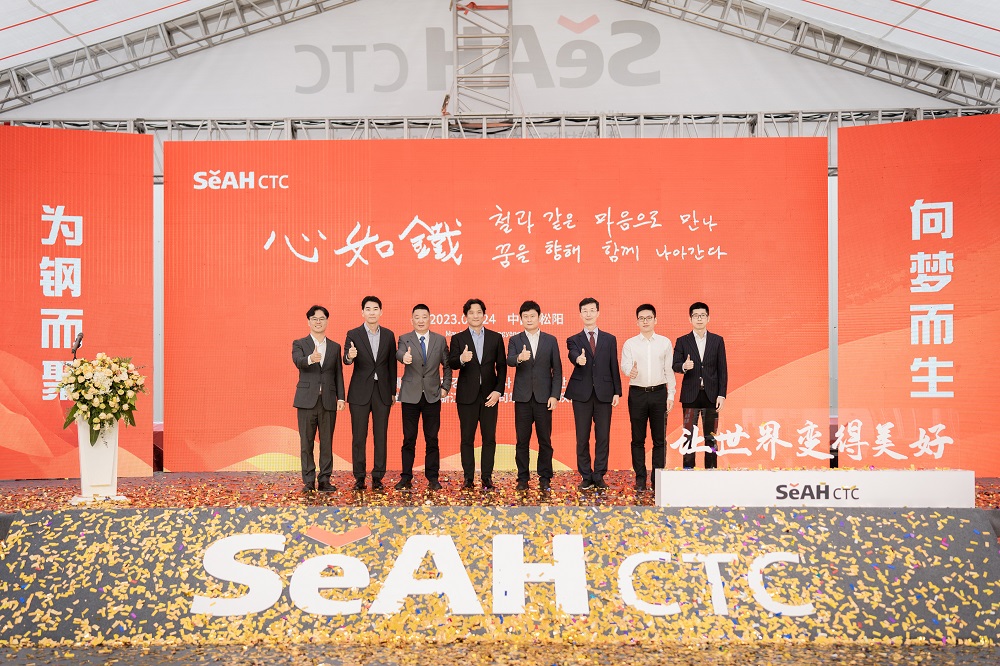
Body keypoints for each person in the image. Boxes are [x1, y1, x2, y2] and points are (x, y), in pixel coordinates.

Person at [448, 298, 507, 491]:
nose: (475, 316)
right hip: (467, 397)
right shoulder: (458, 338)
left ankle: (487, 478)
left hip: (490, 396)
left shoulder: (495, 338)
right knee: (467, 438)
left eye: (479, 312)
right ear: (465, 316)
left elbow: (502, 367)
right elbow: (452, 363)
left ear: (484, 315)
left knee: (489, 438)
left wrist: (498, 391)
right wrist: (462, 359)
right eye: (471, 313)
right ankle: (468, 478)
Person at [565, 297, 622, 490]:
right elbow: (572, 354)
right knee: (582, 437)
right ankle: (586, 475)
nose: (588, 314)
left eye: (591, 310)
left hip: (604, 393)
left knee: (603, 436)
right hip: (581, 395)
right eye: (585, 311)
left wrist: (617, 391)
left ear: (598, 312)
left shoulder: (609, 339)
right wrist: (578, 359)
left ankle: (599, 475)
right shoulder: (573, 339)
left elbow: (613, 365)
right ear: (580, 314)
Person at [506, 300, 562, 492]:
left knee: (544, 440)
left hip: (544, 398)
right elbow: (509, 360)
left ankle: (545, 477)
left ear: (540, 317)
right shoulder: (515, 340)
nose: (529, 319)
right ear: (520, 319)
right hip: (522, 399)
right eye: (525, 316)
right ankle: (523, 478)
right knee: (522, 440)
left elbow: (557, 370)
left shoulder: (550, 340)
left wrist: (555, 395)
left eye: (532, 316)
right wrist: (519, 358)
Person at [395, 304, 452, 491]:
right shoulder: (404, 338)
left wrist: (445, 387)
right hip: (410, 396)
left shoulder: (440, 340)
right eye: (417, 317)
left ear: (430, 319)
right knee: (409, 439)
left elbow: (447, 366)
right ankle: (406, 477)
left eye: (424, 317)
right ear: (412, 320)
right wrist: (404, 358)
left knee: (432, 438)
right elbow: (399, 353)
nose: (420, 320)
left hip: (432, 396)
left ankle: (433, 478)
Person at [620, 304, 675, 492]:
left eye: (648, 318)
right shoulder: (630, 344)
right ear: (637, 322)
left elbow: (669, 370)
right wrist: (631, 371)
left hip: (659, 393)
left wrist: (671, 394)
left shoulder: (665, 343)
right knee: (638, 439)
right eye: (641, 318)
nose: (645, 321)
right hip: (637, 394)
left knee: (659, 439)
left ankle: (658, 478)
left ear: (655, 320)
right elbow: (625, 365)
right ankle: (640, 478)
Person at [343, 296, 396, 491]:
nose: (372, 312)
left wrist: (392, 391)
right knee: (359, 436)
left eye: (375, 309)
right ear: (362, 312)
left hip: (382, 392)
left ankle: (378, 477)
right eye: (368, 309)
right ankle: (359, 477)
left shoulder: (389, 335)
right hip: (359, 392)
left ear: (381, 312)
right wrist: (350, 356)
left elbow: (391, 365)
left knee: (380, 436)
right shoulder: (353, 334)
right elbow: (346, 359)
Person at [291, 305, 345, 493]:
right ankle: (308, 481)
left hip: (328, 401)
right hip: (306, 401)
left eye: (322, 319)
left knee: (327, 443)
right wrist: (310, 359)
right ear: (309, 322)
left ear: (327, 321)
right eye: (314, 319)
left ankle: (324, 480)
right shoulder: (299, 343)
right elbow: (298, 361)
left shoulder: (335, 346)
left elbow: (338, 373)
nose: (318, 322)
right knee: (306, 443)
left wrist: (341, 398)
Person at [672, 302, 728, 469]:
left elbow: (722, 369)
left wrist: (721, 394)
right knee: (689, 436)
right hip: (690, 396)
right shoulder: (682, 341)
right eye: (695, 316)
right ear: (690, 319)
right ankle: (688, 471)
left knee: (711, 437)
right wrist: (684, 366)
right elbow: (675, 365)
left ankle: (711, 471)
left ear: (708, 318)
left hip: (711, 396)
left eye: (702, 315)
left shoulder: (717, 340)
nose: (699, 318)